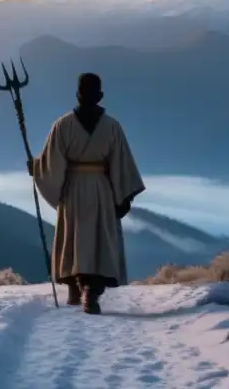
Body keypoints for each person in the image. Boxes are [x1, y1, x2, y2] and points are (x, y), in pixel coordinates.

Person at [27, 72, 145, 314]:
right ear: (100, 96)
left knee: (75, 239)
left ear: (77, 95)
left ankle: (77, 287)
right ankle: (91, 288)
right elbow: (122, 164)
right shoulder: (112, 127)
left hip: (73, 190)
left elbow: (52, 163)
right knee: (98, 241)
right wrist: (122, 197)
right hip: (102, 189)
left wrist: (36, 168)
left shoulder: (63, 126)